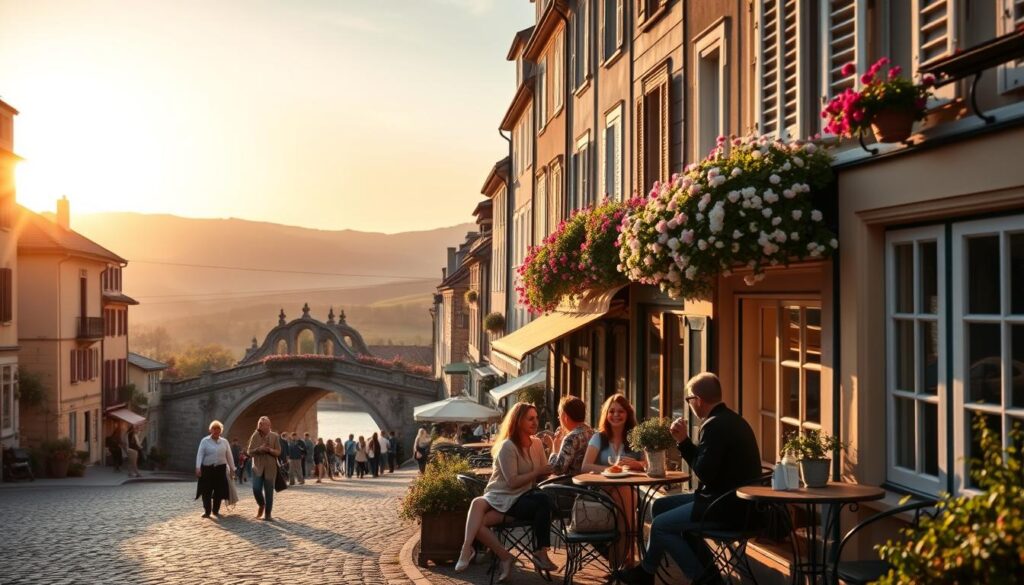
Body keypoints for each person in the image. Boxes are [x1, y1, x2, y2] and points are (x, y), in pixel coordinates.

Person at [618, 373, 763, 585]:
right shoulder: (732, 420)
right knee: (660, 506)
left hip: (726, 507)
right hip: (733, 502)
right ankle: (652, 573)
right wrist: (685, 442)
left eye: (688, 400)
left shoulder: (714, 426)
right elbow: (710, 466)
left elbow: (705, 473)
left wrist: (684, 441)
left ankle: (703, 578)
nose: (689, 405)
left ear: (697, 400)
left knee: (659, 525)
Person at [455, 402, 557, 583]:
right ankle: (507, 554)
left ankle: (511, 555)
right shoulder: (507, 446)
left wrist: (554, 451)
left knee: (543, 499)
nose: (535, 422)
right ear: (518, 422)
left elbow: (543, 473)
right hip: (501, 494)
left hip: (521, 497)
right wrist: (538, 472)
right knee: (478, 506)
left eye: (536, 418)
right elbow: (512, 482)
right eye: (530, 419)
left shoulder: (537, 444)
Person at [581, 394, 646, 567]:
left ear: (628, 414)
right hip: (600, 491)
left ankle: (618, 560)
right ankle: (627, 557)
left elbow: (648, 463)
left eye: (620, 411)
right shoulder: (599, 437)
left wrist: (637, 464)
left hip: (626, 490)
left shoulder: (635, 438)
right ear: (606, 414)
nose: (616, 415)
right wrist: (610, 469)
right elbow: (585, 466)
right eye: (612, 411)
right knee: (628, 497)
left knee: (626, 493)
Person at [545, 395, 594, 476]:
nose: (558, 418)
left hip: (571, 485)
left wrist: (555, 448)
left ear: (565, 416)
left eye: (559, 414)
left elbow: (557, 470)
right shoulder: (592, 432)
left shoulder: (571, 438)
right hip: (590, 484)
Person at [194, 420, 234, 519]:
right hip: (207, 469)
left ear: (221, 431)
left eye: (218, 429)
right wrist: (198, 467)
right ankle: (207, 511)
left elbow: (229, 456)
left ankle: (215, 510)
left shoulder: (224, 442)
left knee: (219, 491)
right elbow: (200, 454)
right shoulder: (205, 441)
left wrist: (232, 469)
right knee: (206, 490)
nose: (216, 431)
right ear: (210, 430)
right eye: (214, 429)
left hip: (220, 469)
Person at [247, 415, 282, 521]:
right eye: (261, 424)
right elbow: (249, 451)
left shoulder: (274, 436)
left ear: (269, 425)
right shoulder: (255, 436)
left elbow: (278, 452)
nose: (262, 426)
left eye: (265, 424)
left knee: (269, 491)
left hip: (271, 468)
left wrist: (270, 450)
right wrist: (259, 449)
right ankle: (261, 504)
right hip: (257, 467)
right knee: (256, 488)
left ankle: (268, 514)